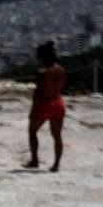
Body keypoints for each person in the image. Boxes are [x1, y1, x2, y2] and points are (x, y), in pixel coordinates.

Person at [27, 40, 67, 172]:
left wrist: (33, 110)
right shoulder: (61, 69)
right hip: (58, 102)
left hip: (44, 103)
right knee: (57, 135)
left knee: (32, 131)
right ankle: (56, 164)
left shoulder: (41, 71)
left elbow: (39, 90)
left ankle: (34, 160)